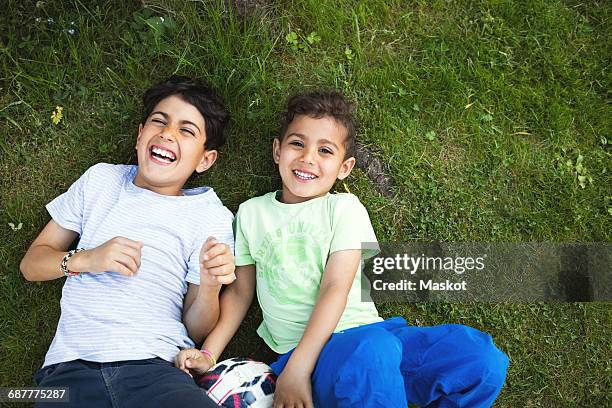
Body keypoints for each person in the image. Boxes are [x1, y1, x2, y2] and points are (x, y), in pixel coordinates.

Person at [175, 90, 509, 407]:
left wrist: (298, 369)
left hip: (375, 338)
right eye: (297, 144)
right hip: (317, 360)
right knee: (372, 353)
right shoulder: (251, 214)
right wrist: (209, 354)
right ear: (278, 151)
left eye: (325, 151)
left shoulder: (345, 208)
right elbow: (239, 296)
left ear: (344, 167)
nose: (307, 158)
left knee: (482, 360)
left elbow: (337, 287)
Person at [20, 76, 237, 408]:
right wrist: (87, 259)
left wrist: (208, 286)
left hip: (158, 370)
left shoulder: (210, 216)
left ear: (205, 160)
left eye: (186, 130)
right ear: (140, 135)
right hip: (68, 372)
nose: (167, 134)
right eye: (159, 122)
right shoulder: (101, 180)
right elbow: (31, 264)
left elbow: (195, 329)